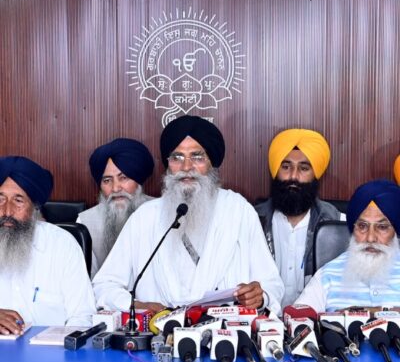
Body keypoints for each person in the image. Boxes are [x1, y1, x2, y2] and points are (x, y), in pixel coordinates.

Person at [93, 115, 284, 314]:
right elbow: (104, 286)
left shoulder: (238, 211)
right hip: (157, 329)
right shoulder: (145, 218)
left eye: (197, 157)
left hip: (224, 330)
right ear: (168, 164)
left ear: (211, 164)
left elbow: (271, 285)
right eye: (177, 157)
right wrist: (135, 305)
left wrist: (259, 297)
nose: (186, 167)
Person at [0, 156, 96, 334]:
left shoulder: (62, 246)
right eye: (0, 199)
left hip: (51, 350)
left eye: (18, 201)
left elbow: (83, 316)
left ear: (35, 207)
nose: (6, 211)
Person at [256, 128, 341, 307]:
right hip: (261, 318)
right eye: (286, 167)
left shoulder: (335, 223)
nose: (293, 176)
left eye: (304, 168)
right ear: (275, 171)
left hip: (316, 319)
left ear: (316, 174)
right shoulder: (253, 220)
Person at [294, 179, 400, 312]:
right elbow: (296, 318)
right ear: (353, 229)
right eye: (362, 226)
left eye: (382, 227)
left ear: (395, 231)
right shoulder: (327, 276)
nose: (371, 238)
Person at [77, 138, 154, 277]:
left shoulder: (161, 212)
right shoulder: (86, 222)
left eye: (123, 178)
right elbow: (86, 279)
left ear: (138, 180)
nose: (116, 188)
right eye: (107, 180)